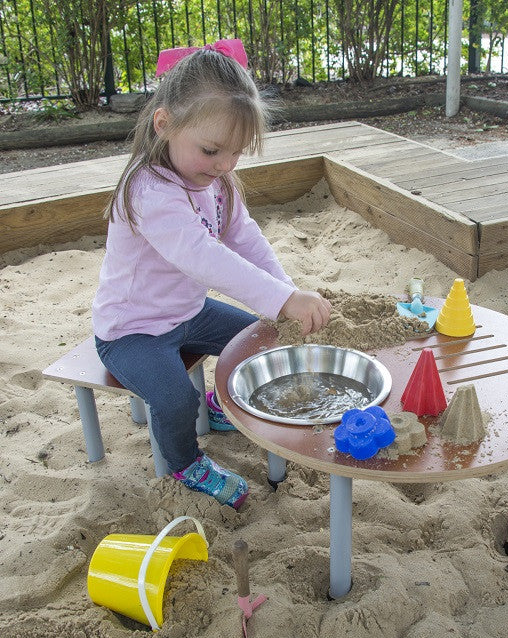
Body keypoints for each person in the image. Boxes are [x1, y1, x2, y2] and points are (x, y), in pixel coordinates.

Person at [92, 39, 331, 509]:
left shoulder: (214, 180)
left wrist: (286, 293)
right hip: (132, 331)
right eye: (211, 150)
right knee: (178, 401)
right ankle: (186, 463)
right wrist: (282, 300)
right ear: (165, 125)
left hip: (188, 311)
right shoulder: (149, 189)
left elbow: (244, 236)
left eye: (236, 154)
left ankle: (221, 405)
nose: (224, 165)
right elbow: (203, 257)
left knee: (260, 338)